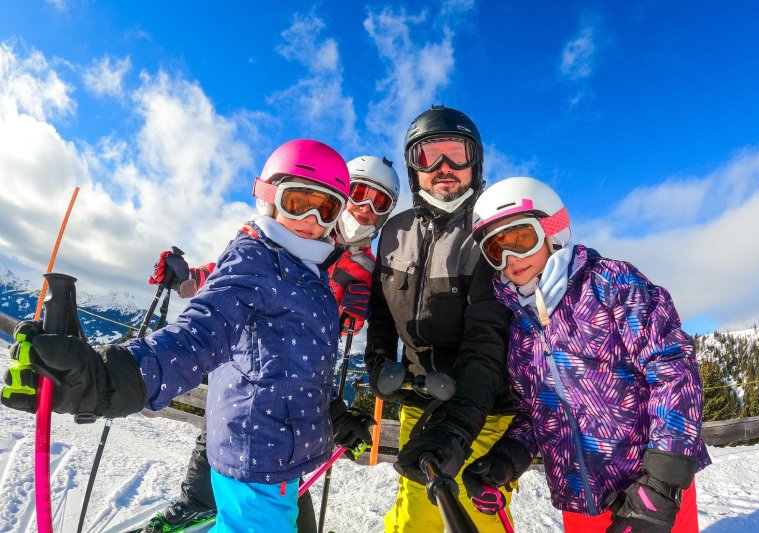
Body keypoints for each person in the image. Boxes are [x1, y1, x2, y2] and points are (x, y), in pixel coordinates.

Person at [2, 139, 374, 533]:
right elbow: (199, 333)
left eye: (327, 207)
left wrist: (335, 415)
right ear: (268, 197)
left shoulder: (312, 272)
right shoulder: (257, 259)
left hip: (285, 453)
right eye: (298, 202)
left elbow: (295, 364)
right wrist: (111, 379)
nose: (312, 219)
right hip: (259, 455)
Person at [142, 155, 401, 533]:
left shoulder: (365, 266)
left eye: (379, 203)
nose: (364, 209)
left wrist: (351, 313)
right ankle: (196, 502)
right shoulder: (290, 228)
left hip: (297, 370)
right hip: (250, 352)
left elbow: (351, 325)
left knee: (279, 447)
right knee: (228, 424)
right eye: (359, 193)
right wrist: (190, 276)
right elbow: (235, 280)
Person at [461, 176, 711, 533]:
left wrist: (662, 482)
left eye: (520, 239)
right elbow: (534, 416)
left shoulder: (611, 283)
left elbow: (673, 368)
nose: (510, 258)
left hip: (649, 489)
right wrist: (504, 459)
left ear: (553, 232)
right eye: (495, 249)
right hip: (581, 502)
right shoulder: (519, 330)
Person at [365, 105, 515, 532]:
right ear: (414, 167)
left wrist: (457, 427)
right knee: (416, 515)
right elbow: (379, 309)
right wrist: (378, 361)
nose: (444, 168)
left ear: (476, 162)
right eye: (429, 157)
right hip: (419, 400)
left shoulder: (489, 232)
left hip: (483, 408)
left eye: (457, 154)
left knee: (471, 508)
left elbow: (489, 340)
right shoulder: (395, 232)